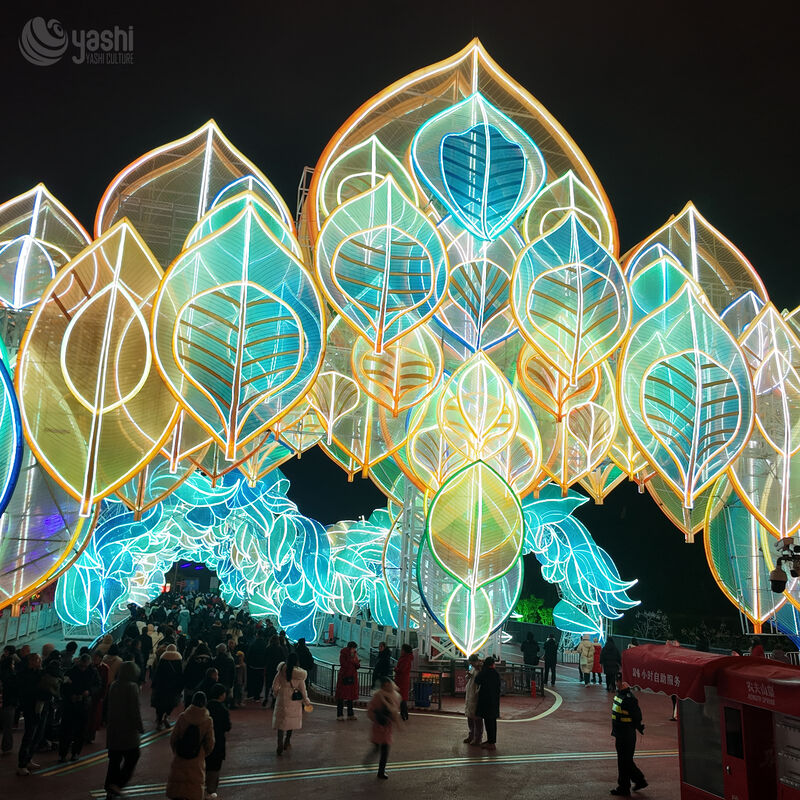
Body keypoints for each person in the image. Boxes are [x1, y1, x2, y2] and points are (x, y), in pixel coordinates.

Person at [104, 660, 143, 800]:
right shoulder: (132, 687)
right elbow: (135, 710)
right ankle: (118, 784)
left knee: (114, 760)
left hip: (114, 729)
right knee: (133, 756)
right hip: (128, 731)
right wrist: (140, 726)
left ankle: (109, 786)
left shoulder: (114, 685)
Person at [166, 691, 215, 800]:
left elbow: (173, 738)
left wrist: (177, 751)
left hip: (180, 757)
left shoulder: (183, 717)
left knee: (178, 787)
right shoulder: (207, 721)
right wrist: (202, 753)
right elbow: (210, 743)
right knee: (194, 788)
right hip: (197, 760)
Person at [611, 674, 647, 796]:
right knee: (624, 761)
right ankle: (632, 783)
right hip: (620, 733)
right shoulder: (620, 695)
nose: (618, 683)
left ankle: (628, 785)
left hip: (626, 734)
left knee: (624, 761)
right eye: (617, 681)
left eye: (620, 681)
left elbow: (637, 716)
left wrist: (638, 726)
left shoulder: (629, 698)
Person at [58, 653, 98, 762]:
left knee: (78, 730)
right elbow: (63, 687)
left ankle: (73, 752)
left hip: (81, 704)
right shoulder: (87, 672)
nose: (83, 667)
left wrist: (88, 692)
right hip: (73, 704)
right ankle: (65, 753)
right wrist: (72, 695)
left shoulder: (89, 672)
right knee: (68, 730)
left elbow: (97, 686)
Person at [272, 653, 310, 755]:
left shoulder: (281, 671)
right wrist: (306, 702)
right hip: (294, 700)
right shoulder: (299, 675)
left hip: (282, 698)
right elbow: (303, 690)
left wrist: (276, 694)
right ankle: (287, 741)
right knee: (290, 722)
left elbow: (275, 685)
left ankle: (279, 743)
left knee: (281, 722)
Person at [16, 653, 46, 775]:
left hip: (38, 707)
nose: (40, 662)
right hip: (31, 708)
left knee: (37, 734)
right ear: (32, 661)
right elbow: (29, 691)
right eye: (38, 660)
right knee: (29, 735)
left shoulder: (38, 673)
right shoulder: (27, 675)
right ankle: (22, 764)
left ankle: (28, 759)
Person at [366, 676, 401, 779]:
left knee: (385, 749)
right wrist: (377, 717)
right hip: (379, 726)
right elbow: (371, 711)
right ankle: (370, 759)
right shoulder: (378, 696)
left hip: (386, 727)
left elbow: (394, 711)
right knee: (378, 747)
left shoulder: (392, 695)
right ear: (385, 685)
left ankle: (381, 771)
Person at [205, 684, 231, 799]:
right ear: (221, 695)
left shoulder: (205, 707)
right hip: (218, 742)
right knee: (215, 768)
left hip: (205, 741)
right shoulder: (223, 709)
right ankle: (211, 791)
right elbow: (227, 727)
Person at [152, 644, 183, 730]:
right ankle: (166, 717)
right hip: (173, 686)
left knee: (160, 704)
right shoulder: (178, 659)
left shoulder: (163, 659)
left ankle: (159, 721)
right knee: (171, 703)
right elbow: (180, 674)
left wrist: (154, 684)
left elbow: (158, 673)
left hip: (162, 685)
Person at [475, 656, 501, 750]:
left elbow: (477, 680)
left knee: (488, 722)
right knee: (492, 722)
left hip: (486, 701)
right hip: (494, 701)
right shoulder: (495, 673)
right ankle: (491, 741)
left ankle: (491, 742)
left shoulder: (485, 672)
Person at [1, 645, 19, 755]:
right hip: (8, 704)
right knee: (7, 728)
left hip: (3, 701)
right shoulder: (12, 676)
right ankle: (6, 747)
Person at [335, 641, 360, 720]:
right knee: (341, 696)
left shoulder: (354, 655)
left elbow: (357, 665)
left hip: (352, 676)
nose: (354, 650)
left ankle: (350, 714)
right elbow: (344, 664)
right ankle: (340, 714)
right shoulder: (343, 654)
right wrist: (352, 660)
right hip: (344, 676)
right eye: (353, 648)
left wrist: (355, 662)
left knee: (350, 696)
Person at [463, 654, 483, 746]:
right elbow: (469, 678)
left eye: (472, 663)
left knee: (476, 718)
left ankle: (477, 737)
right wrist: (468, 675)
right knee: (470, 716)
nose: (471, 665)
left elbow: (480, 682)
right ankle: (471, 735)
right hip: (470, 694)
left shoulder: (480, 669)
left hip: (475, 695)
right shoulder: (473, 668)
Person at [261, 636, 286, 708]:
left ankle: (266, 698)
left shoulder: (268, 648)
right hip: (277, 669)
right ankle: (274, 700)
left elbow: (264, 658)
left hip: (269, 668)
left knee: (267, 684)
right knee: (275, 685)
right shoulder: (280, 648)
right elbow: (283, 658)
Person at [245, 630, 267, 701]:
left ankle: (251, 694)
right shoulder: (265, 644)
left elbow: (249, 654)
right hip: (262, 666)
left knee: (253, 680)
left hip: (253, 665)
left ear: (257, 635)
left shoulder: (253, 643)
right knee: (260, 680)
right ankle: (257, 695)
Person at [394, 644, 413, 721]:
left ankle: (404, 714)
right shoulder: (407, 658)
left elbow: (401, 670)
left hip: (402, 680)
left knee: (402, 698)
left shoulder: (405, 659)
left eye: (402, 649)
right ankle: (404, 714)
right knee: (402, 697)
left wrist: (395, 669)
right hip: (402, 680)